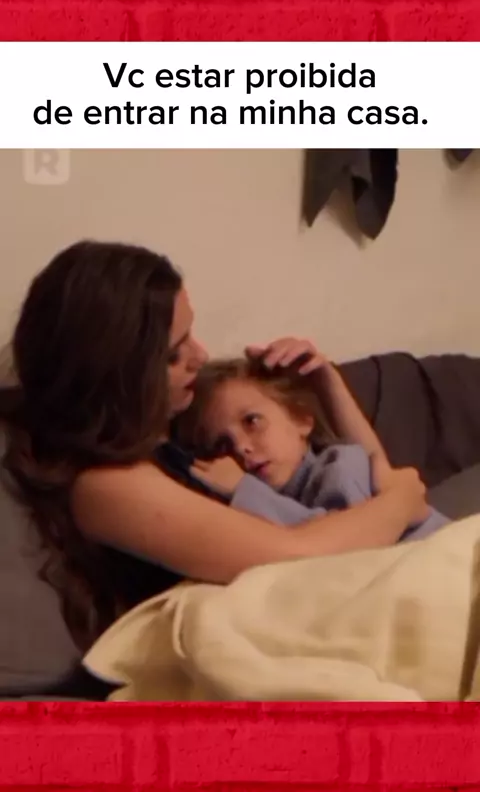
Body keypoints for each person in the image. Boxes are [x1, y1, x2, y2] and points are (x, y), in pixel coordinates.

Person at [0, 240, 429, 652]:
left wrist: (328, 386)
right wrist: (401, 499)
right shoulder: (107, 486)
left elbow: (370, 479)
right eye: (174, 354)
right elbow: (300, 553)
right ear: (119, 375)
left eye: (191, 334)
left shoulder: (166, 434)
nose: (200, 356)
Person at [174, 355, 450, 540]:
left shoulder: (341, 465)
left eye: (252, 421)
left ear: (301, 419)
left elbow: (345, 540)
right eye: (222, 445)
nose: (241, 448)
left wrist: (244, 490)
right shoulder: (267, 503)